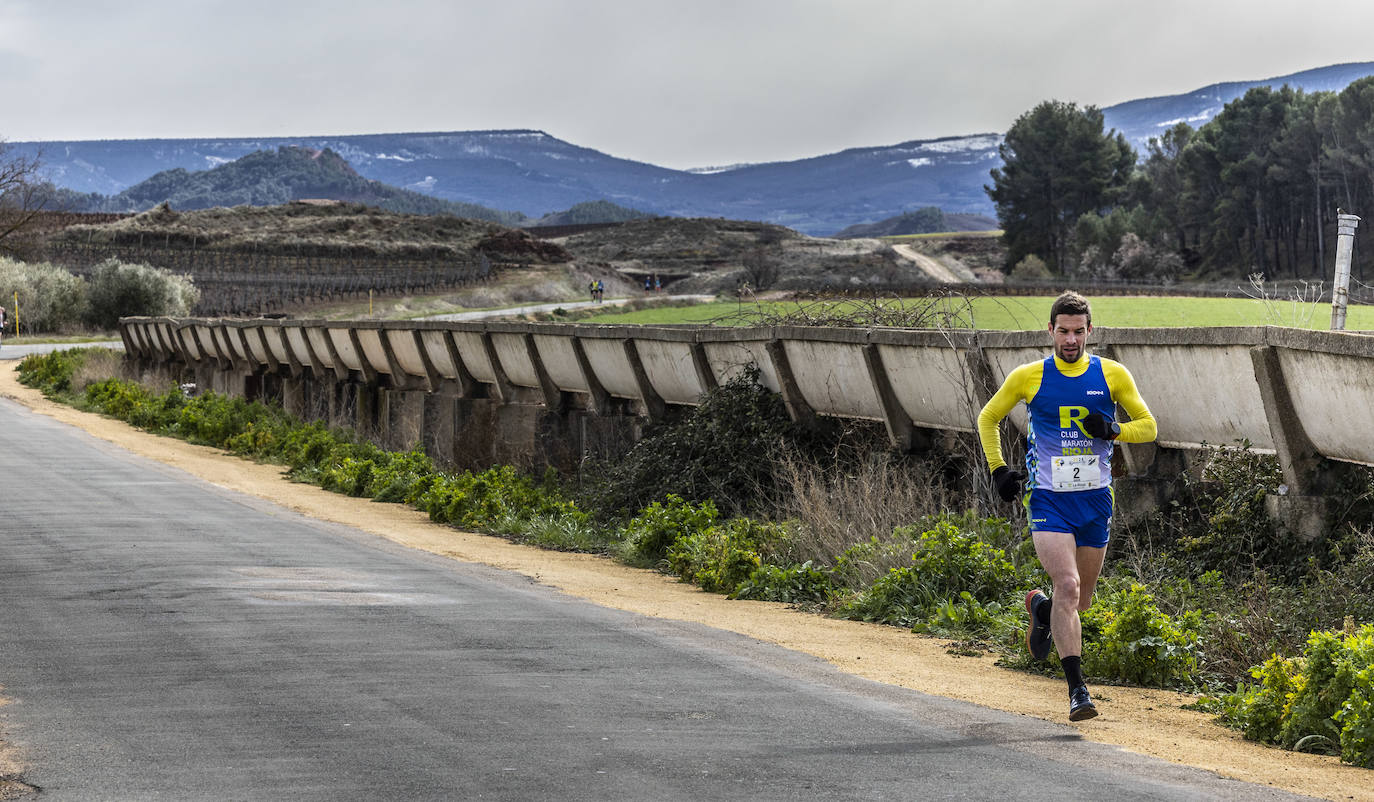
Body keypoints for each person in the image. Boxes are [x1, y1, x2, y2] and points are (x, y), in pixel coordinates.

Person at [976, 291, 1157, 722]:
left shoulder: (1112, 374)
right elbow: (988, 418)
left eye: (1078, 331)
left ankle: (1042, 609)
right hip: (1048, 500)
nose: (1071, 340)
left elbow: (1149, 427)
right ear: (1051, 331)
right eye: (1063, 331)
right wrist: (998, 470)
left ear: (1090, 331)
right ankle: (1078, 691)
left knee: (1080, 601)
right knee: (1069, 586)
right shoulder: (1029, 376)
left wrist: (1113, 430)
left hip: (1095, 500)